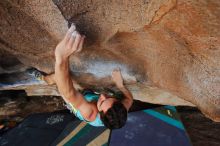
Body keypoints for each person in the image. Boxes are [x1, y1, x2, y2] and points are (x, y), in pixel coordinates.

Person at [40, 24, 133, 129]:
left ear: (100, 114)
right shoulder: (120, 109)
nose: (102, 95)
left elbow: (68, 93)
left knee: (58, 78)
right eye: (109, 97)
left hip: (76, 103)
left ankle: (45, 79)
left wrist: (61, 57)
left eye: (102, 101)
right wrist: (120, 86)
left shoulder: (90, 113)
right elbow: (129, 99)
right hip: (89, 96)